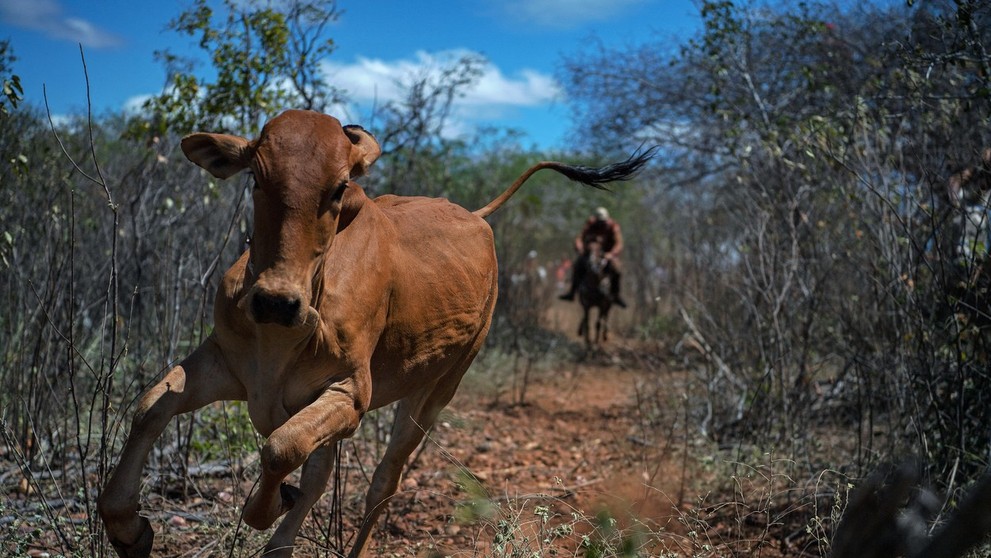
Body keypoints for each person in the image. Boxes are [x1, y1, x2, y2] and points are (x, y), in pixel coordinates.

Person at [558, 206, 626, 308]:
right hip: (590, 253)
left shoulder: (613, 226)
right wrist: (580, 249)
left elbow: (619, 243)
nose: (600, 224)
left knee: (617, 269)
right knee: (577, 265)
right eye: (598, 221)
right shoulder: (590, 224)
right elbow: (579, 238)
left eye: (602, 222)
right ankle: (572, 292)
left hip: (607, 255)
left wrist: (611, 254)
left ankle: (616, 295)